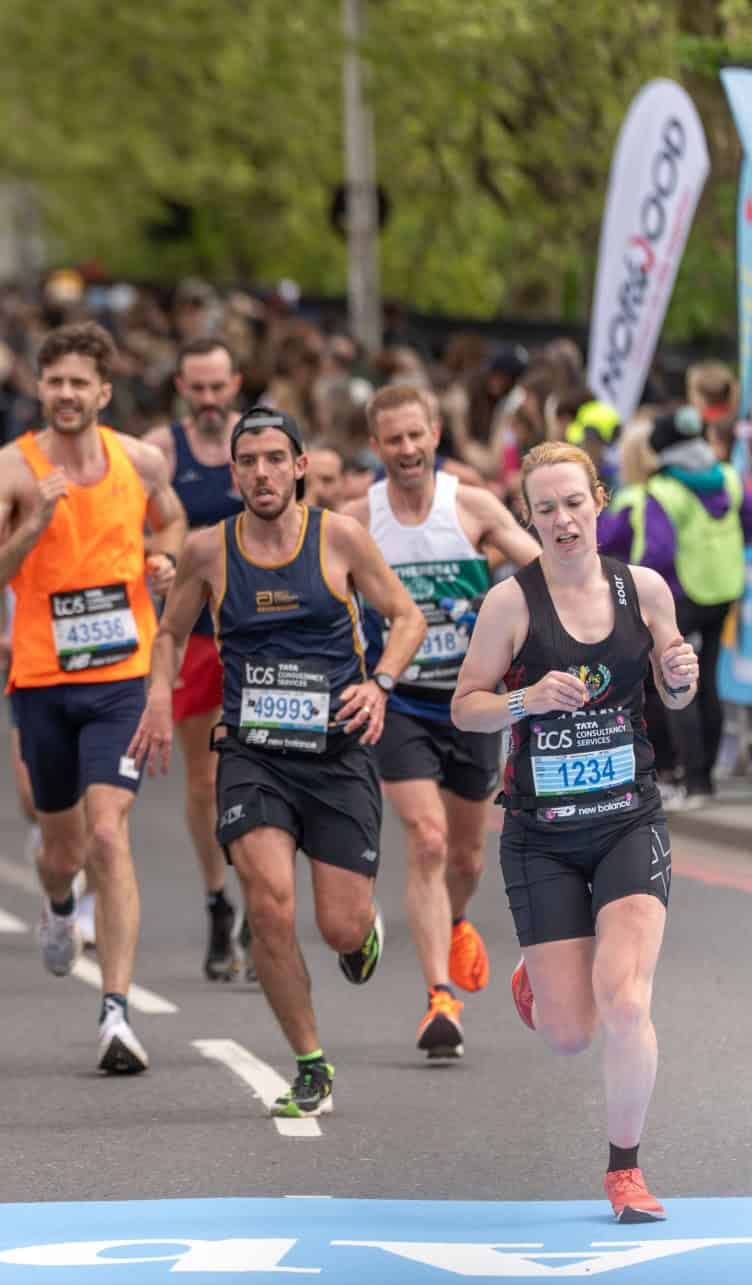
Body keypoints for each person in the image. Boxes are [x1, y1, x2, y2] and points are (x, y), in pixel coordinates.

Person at [131, 405, 422, 1118]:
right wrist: (161, 701)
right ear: (233, 474)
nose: (261, 472)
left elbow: (407, 616)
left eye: (274, 459)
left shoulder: (340, 538)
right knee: (268, 902)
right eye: (247, 461)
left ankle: (363, 930)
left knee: (339, 926)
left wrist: (379, 684)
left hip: (337, 749)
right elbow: (169, 632)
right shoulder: (208, 550)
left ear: (299, 467)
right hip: (253, 753)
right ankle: (310, 1061)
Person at [452, 440, 697, 1224]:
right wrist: (526, 702)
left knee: (625, 1001)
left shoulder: (644, 588)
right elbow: (467, 704)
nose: (561, 520)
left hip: (629, 818)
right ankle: (542, 977)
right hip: (542, 834)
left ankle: (625, 1170)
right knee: (567, 1033)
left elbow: (677, 688)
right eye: (545, 508)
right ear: (530, 516)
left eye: (573, 503)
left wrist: (681, 675)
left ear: (599, 503)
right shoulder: (511, 604)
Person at [0, 322, 185, 1074]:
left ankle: (116, 1010)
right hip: (42, 683)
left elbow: (176, 520)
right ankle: (59, 906)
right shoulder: (10, 468)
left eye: (78, 383)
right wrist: (34, 524)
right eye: (53, 380)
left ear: (103, 391)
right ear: (40, 387)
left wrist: (165, 558)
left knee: (108, 834)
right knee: (60, 851)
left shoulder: (140, 458)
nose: (65, 394)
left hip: (120, 678)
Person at [341, 386, 539, 1058]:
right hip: (398, 700)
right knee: (425, 839)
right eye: (391, 439)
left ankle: (455, 918)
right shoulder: (355, 518)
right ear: (376, 446)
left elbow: (544, 573)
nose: (405, 450)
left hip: (470, 703)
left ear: (435, 433)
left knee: (466, 854)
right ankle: (439, 998)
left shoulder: (472, 507)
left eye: (415, 436)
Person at [141, 338, 246, 983]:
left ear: (235, 383)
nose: (209, 401)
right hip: (195, 637)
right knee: (205, 779)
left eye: (219, 388)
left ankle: (265, 908)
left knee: (274, 771)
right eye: (198, 389)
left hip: (261, 635)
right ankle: (217, 901)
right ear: (182, 385)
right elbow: (138, 525)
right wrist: (157, 562)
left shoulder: (259, 444)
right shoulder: (160, 450)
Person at [600, 406, 748, 808]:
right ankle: (705, 778)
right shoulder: (730, 479)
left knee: (678, 683)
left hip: (683, 597)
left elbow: (658, 552)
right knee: (709, 684)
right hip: (723, 593)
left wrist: (642, 588)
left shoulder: (661, 490)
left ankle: (694, 782)